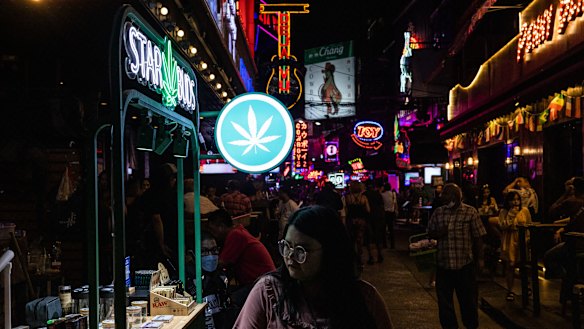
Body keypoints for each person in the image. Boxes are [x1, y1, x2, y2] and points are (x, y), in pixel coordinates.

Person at [233, 205, 393, 329]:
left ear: (331, 252)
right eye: (287, 246)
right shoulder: (269, 292)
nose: (290, 256)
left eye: (302, 250)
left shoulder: (364, 298)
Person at [427, 183, 486, 329]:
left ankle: (471, 325)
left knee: (468, 303)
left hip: (464, 265)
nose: (443, 198)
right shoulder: (439, 212)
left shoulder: (470, 212)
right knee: (445, 304)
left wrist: (480, 259)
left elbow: (478, 237)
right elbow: (430, 232)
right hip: (444, 265)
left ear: (455, 196)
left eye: (446, 195)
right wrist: (439, 233)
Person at [206, 209, 275, 307]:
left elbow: (219, 263)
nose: (212, 234)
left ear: (221, 227)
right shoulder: (238, 231)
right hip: (260, 282)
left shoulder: (235, 235)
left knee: (229, 302)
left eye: (212, 230)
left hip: (261, 284)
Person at [498, 191, 531, 301]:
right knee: (510, 265)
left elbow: (529, 224)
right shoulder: (504, 211)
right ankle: (510, 290)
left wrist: (528, 238)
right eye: (513, 199)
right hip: (509, 239)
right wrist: (511, 214)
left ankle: (526, 287)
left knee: (524, 264)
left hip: (522, 239)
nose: (516, 202)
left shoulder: (525, 210)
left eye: (517, 199)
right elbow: (503, 226)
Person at [343, 181, 372, 267]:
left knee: (351, 240)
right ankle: (360, 259)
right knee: (360, 240)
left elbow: (345, 211)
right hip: (361, 221)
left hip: (351, 220)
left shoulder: (347, 198)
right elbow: (368, 210)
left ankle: (352, 259)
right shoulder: (363, 198)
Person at [363, 181, 385, 263]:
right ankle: (380, 255)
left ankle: (371, 256)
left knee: (368, 238)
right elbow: (382, 206)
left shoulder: (364, 195)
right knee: (378, 237)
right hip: (378, 217)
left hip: (368, 217)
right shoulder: (378, 194)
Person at [380, 183, 397, 249]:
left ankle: (385, 244)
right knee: (391, 229)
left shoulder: (382, 195)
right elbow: (395, 204)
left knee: (383, 229)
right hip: (391, 213)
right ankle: (392, 245)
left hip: (384, 213)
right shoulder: (393, 194)